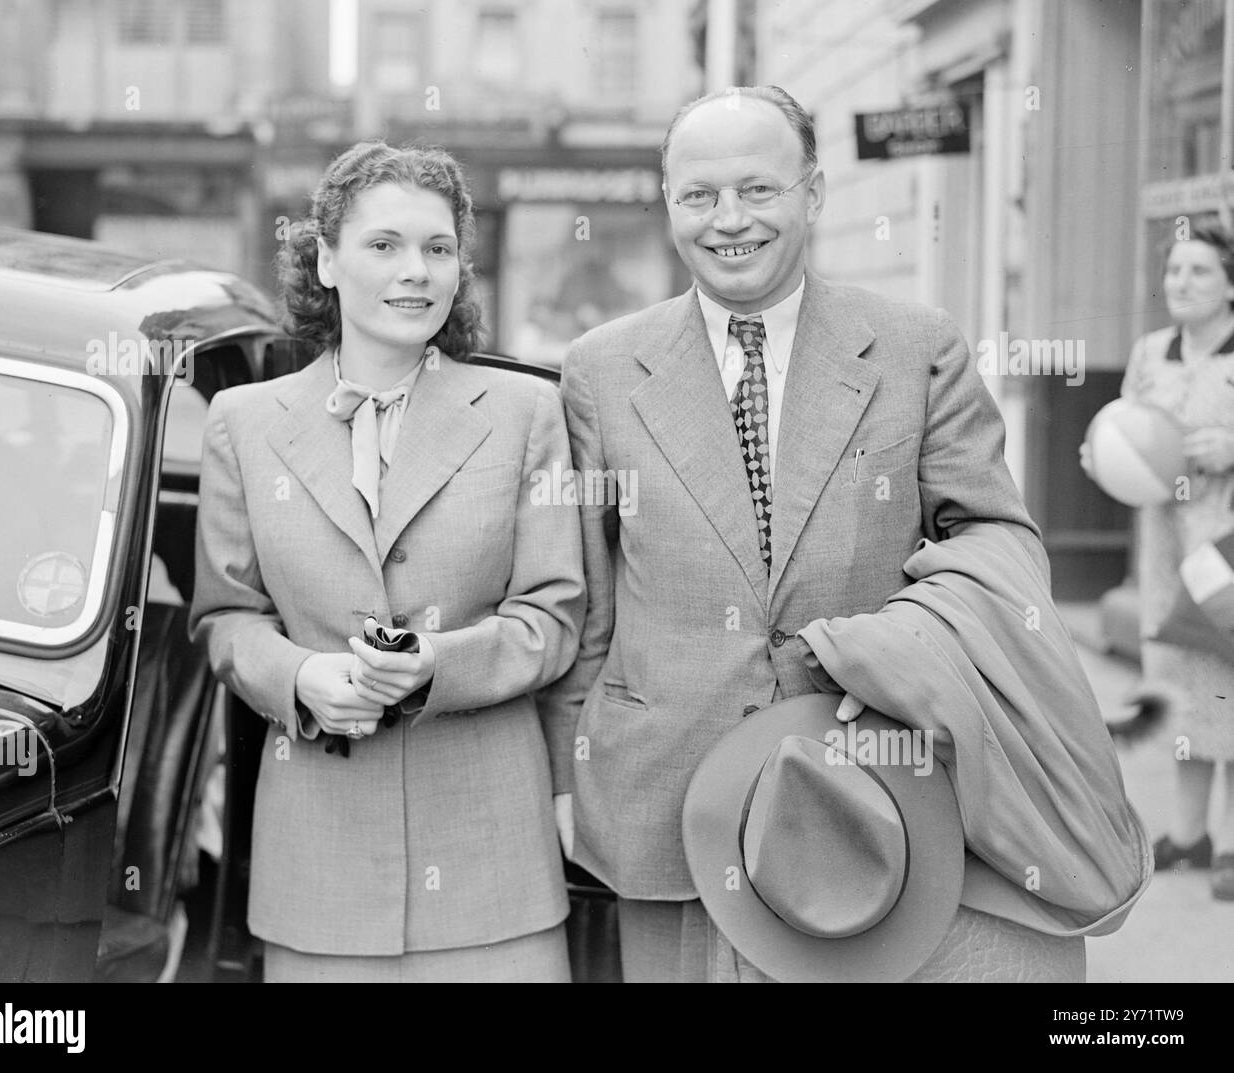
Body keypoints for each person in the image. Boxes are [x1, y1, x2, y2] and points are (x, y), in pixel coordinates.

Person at [539, 86, 1111, 982]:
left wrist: (891, 643)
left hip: (871, 797)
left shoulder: (917, 347)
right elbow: (587, 600)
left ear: (812, 192)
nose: (729, 220)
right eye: (699, 196)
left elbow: (997, 542)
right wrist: (567, 773)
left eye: (758, 190)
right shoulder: (600, 370)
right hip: (666, 804)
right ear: (667, 204)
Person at [189, 141, 586, 981]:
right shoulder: (243, 422)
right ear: (325, 260)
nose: (417, 271)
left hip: (494, 873)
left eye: (437, 248)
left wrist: (438, 663)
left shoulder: (526, 412)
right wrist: (299, 678)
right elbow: (225, 619)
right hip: (318, 872)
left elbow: (554, 618)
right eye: (384, 246)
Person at [1089, 224, 1234, 901]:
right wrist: (1102, 455)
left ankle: (1231, 844)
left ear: (1230, 285)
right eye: (1174, 270)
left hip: (1226, 547)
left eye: (1199, 271)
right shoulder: (1150, 351)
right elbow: (1123, 430)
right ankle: (1187, 832)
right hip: (1165, 544)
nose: (1180, 282)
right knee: (1181, 686)